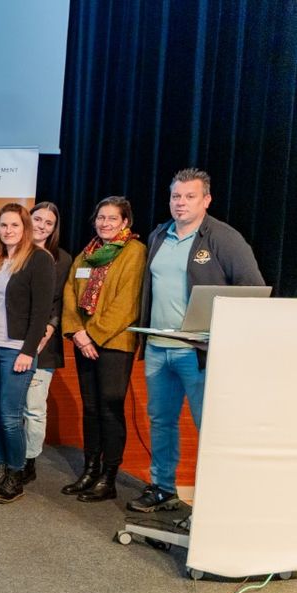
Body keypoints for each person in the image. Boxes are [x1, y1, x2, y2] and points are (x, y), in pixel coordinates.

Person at [130, 168, 264, 512]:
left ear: (206, 200)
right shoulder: (159, 235)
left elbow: (253, 290)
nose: (181, 203)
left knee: (210, 427)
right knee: (161, 422)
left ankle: (217, 498)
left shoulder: (224, 238)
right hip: (158, 349)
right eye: (176, 196)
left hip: (199, 353)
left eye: (190, 196)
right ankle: (163, 488)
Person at [60, 196, 147, 502]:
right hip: (84, 341)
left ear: (125, 222)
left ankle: (109, 477)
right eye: (101, 217)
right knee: (91, 408)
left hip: (114, 343)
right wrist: (78, 333)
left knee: (109, 407)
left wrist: (93, 335)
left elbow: (128, 302)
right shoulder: (88, 252)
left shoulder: (134, 251)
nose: (105, 223)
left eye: (112, 218)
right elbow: (70, 292)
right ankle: (90, 470)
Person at [0, 204, 54, 504]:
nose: (8, 230)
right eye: (4, 225)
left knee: (10, 417)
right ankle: (2, 471)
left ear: (25, 228)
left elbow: (41, 312)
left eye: (15, 225)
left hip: (16, 350)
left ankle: (15, 476)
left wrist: (27, 351)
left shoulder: (39, 260)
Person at [23, 201, 72, 484]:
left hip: (44, 345)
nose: (41, 226)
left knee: (33, 407)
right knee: (7, 407)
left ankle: (28, 460)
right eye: (37, 219)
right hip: (9, 340)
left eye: (48, 223)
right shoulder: (12, 251)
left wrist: (49, 330)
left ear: (54, 229)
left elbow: (60, 302)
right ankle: (5, 457)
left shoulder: (62, 260)